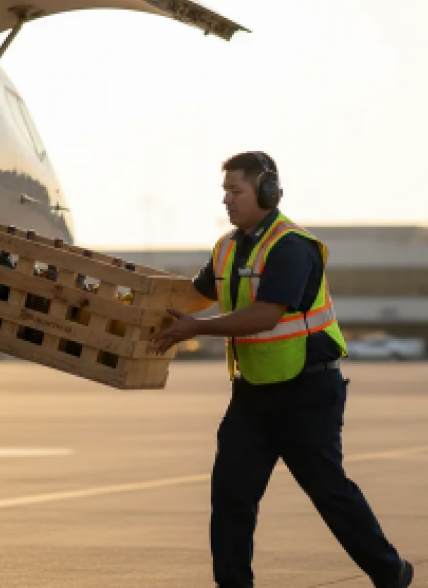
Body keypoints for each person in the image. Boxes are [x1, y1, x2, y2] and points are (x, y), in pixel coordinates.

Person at [151, 152, 413, 588]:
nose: (227, 201)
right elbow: (194, 296)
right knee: (231, 496)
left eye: (236, 191)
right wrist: (136, 303)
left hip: (307, 392)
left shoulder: (292, 247)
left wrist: (195, 329)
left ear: (267, 192)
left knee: (329, 492)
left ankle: (390, 572)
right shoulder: (227, 247)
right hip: (253, 394)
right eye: (224, 192)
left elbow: (265, 315)